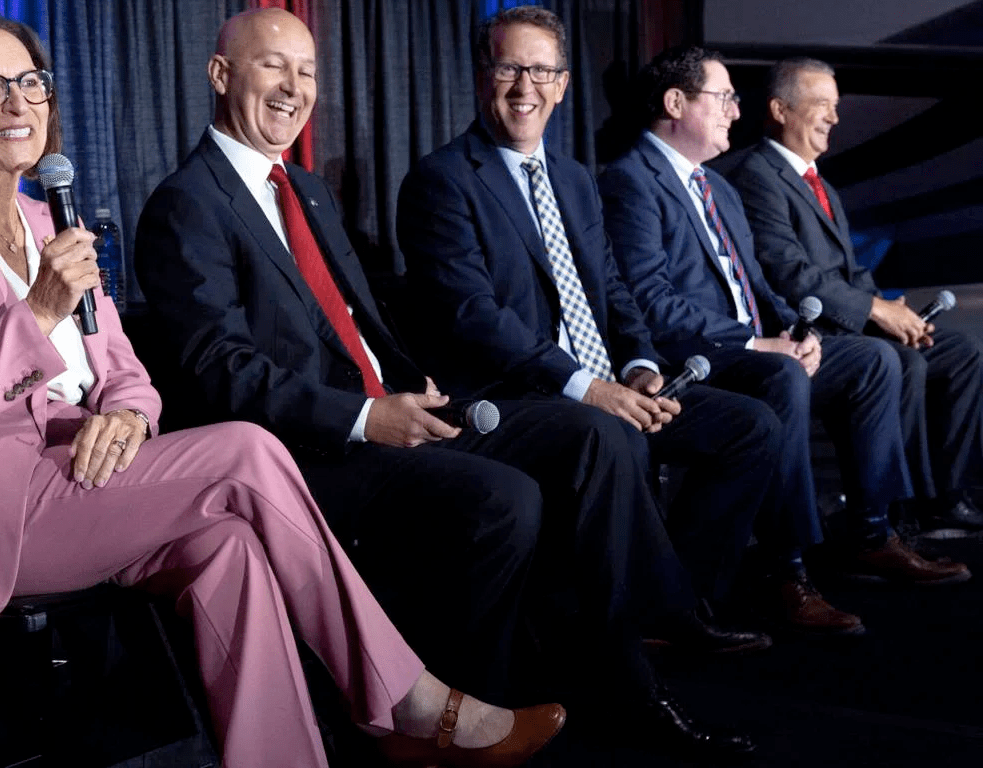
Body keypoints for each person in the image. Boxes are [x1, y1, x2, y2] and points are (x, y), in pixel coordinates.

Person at [0, 11, 565, 768]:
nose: (19, 102)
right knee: (245, 451)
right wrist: (37, 314)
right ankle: (405, 700)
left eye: (31, 82)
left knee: (229, 548)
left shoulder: (45, 221)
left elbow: (126, 371)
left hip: (79, 476)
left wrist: (127, 414)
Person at [135, 7, 755, 760]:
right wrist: (366, 417)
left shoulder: (304, 188)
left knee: (596, 435)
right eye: (273, 66)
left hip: (399, 406)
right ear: (219, 74)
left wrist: (410, 386)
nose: (294, 88)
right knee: (506, 499)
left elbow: (357, 324)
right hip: (305, 452)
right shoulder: (187, 204)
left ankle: (633, 656)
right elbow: (220, 370)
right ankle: (460, 722)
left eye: (307, 71)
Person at [397, 5, 783, 634]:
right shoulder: (441, 180)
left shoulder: (575, 179)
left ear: (563, 84)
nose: (525, 87)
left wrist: (637, 366)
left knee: (751, 426)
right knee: (613, 434)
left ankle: (679, 600)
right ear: (482, 75)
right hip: (517, 394)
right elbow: (475, 316)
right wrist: (586, 387)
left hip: (604, 383)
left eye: (542, 71)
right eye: (509, 68)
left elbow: (613, 288)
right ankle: (654, 619)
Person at [598, 46, 970, 611]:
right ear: (675, 103)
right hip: (695, 356)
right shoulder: (631, 180)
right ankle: (785, 567)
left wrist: (800, 332)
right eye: (724, 98)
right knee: (781, 374)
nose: (735, 111)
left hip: (753, 347)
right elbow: (650, 303)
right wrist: (757, 343)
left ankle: (872, 533)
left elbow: (758, 286)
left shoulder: (715, 186)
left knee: (873, 360)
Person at [725, 57, 983, 534]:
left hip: (853, 321)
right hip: (816, 333)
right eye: (822, 104)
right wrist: (875, 310)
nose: (834, 117)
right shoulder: (756, 176)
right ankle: (899, 513)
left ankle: (947, 497)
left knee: (960, 352)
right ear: (780, 109)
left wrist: (894, 311)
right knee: (904, 362)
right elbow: (790, 275)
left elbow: (849, 270)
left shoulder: (818, 182)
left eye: (836, 105)